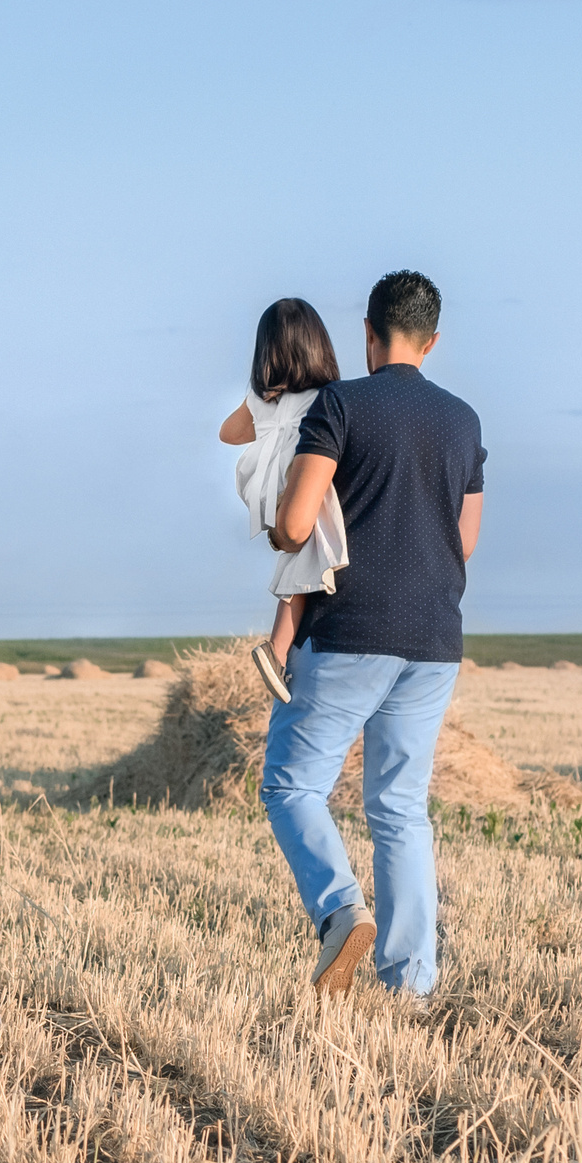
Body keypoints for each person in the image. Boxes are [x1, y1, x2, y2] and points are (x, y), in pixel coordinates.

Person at [263, 270, 484, 1001]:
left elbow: (297, 523)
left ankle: (338, 910)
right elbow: (467, 540)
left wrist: (276, 525)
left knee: (292, 783)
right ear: (433, 340)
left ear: (368, 332)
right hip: (434, 640)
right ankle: (410, 980)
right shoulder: (464, 422)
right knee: (398, 805)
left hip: (352, 628)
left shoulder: (342, 404)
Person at [218, 297, 349, 703]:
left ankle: (276, 649)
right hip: (300, 474)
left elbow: (228, 434)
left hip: (264, 485)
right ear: (318, 346)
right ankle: (277, 649)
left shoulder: (262, 399)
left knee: (294, 548)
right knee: (309, 547)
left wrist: (265, 410)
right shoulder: (327, 398)